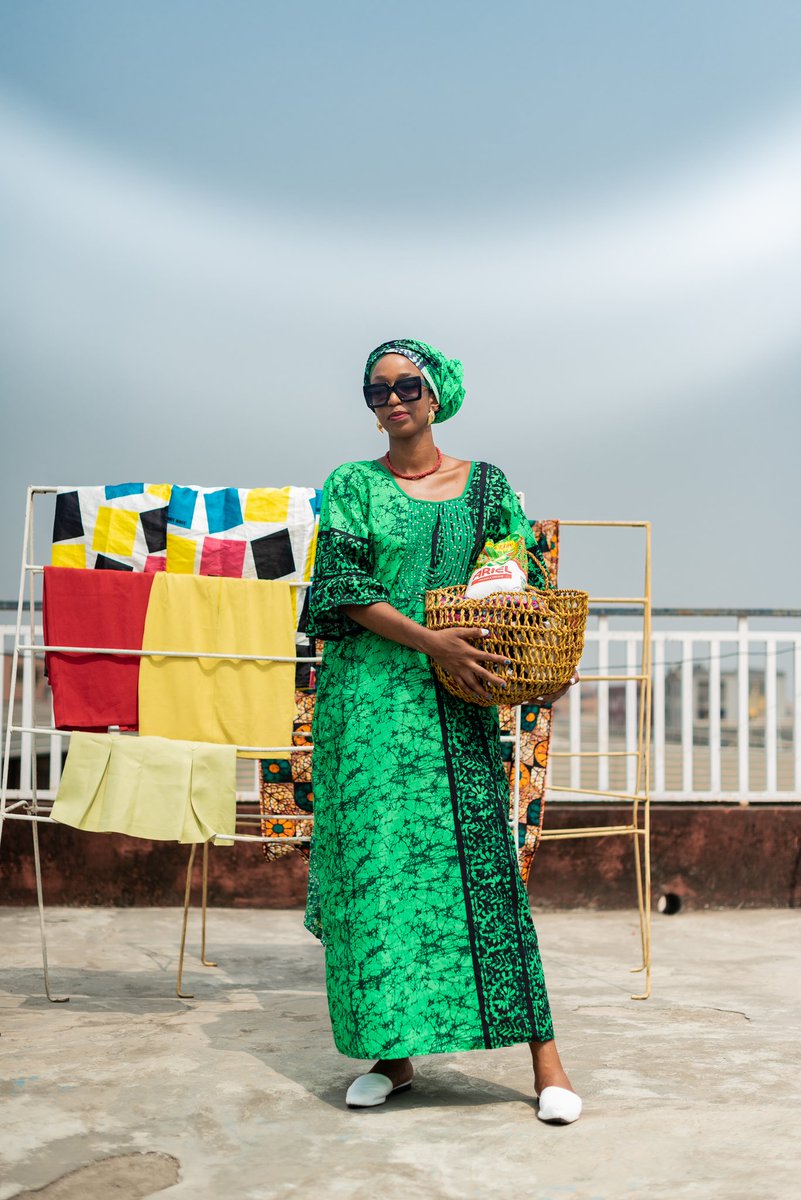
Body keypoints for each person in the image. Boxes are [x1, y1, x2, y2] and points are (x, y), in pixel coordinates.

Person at [304, 337, 581, 1124]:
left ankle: (547, 1062)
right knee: (378, 875)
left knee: (481, 871)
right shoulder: (352, 484)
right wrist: (432, 640)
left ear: (435, 396)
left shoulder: (486, 485)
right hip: (368, 704)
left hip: (455, 704)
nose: (392, 400)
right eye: (376, 390)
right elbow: (342, 588)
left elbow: (517, 571)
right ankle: (393, 1058)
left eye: (405, 386)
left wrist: (514, 633)